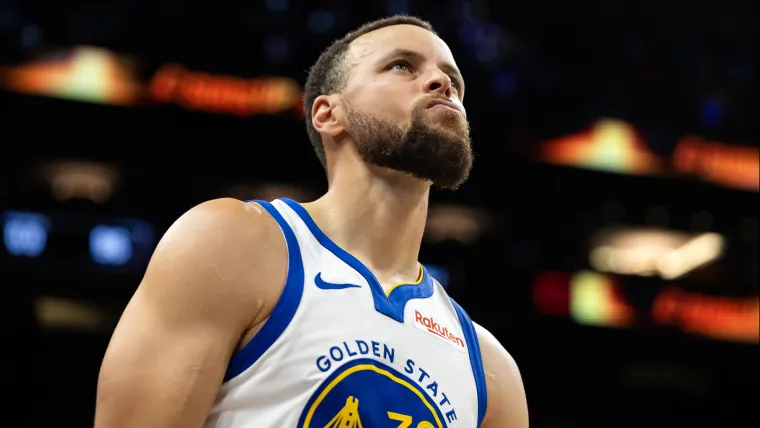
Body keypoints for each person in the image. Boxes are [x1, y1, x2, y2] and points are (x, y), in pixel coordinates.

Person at [95, 15, 528, 428]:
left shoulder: (492, 374)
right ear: (328, 114)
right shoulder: (232, 245)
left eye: (454, 79)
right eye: (402, 65)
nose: (442, 83)